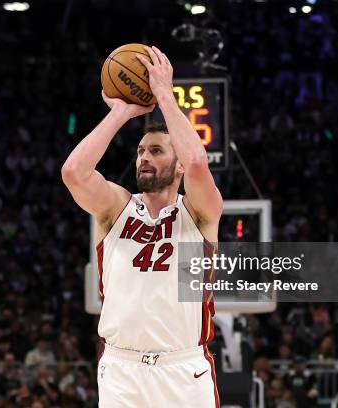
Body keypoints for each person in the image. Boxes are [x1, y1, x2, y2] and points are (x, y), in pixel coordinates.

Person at [62, 45, 223, 407]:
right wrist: (120, 112)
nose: (144, 157)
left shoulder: (200, 212)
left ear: (177, 165)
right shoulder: (116, 208)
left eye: (156, 151)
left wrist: (164, 95)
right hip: (122, 369)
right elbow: (73, 173)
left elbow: (198, 163)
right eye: (140, 151)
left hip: (183, 369)